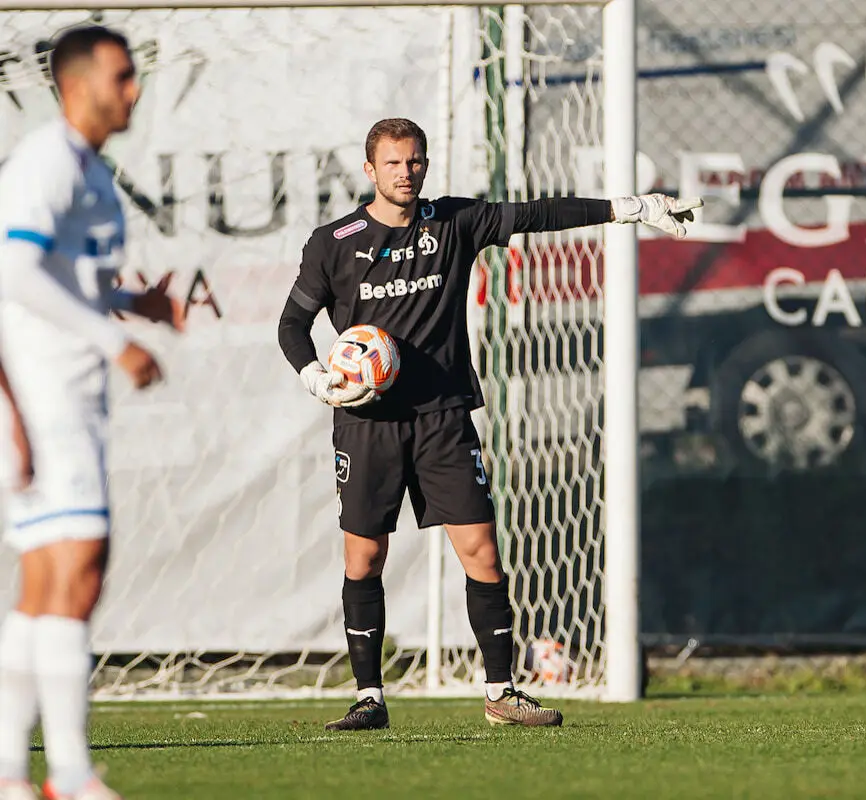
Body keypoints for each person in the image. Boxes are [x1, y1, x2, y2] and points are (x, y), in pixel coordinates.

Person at [278, 117, 699, 729]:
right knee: (364, 558)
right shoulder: (333, 241)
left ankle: (501, 692)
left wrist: (629, 208)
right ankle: (370, 697)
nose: (407, 172)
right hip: (367, 424)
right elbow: (292, 324)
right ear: (369, 171)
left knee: (482, 552)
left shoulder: (454, 221)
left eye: (416, 161)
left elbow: (538, 214)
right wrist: (315, 376)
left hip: (443, 418)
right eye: (393, 163)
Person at [0, 25, 184, 800]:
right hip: (45, 396)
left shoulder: (90, 171)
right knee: (78, 573)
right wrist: (115, 342)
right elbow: (11, 269)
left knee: (47, 583)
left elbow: (59, 276)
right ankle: (70, 775)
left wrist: (129, 301)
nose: (133, 89)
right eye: (122, 76)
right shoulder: (47, 159)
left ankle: (11, 773)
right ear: (78, 84)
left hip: (65, 397)